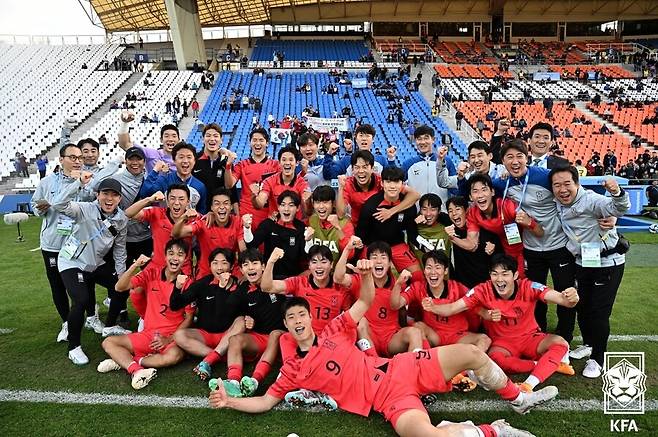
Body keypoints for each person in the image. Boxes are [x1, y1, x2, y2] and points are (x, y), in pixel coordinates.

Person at [209, 259, 558, 437]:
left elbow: (363, 301)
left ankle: (518, 400)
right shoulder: (293, 370)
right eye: (292, 318)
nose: (299, 321)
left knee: (473, 354)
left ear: (310, 319)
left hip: (402, 368)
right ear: (286, 325)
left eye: (303, 315)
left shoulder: (333, 328)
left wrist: (362, 277)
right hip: (388, 401)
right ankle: (494, 429)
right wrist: (230, 401)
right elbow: (265, 401)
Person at [430, 254, 577, 392]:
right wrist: (433, 307)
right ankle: (546, 364)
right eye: (495, 274)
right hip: (503, 344)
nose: (499, 279)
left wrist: (571, 298)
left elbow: (562, 300)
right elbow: (452, 308)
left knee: (560, 343)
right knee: (495, 360)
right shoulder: (482, 290)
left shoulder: (529, 286)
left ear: (515, 275)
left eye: (505, 274)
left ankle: (528, 385)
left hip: (529, 338)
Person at [492, 139, 576, 341]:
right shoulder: (502, 182)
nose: (515, 161)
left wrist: (607, 214)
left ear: (527, 158)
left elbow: (570, 188)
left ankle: (565, 336)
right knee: (535, 294)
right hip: (531, 249)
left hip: (558, 246)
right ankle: (537, 333)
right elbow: (476, 188)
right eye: (509, 157)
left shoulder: (544, 176)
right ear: (502, 161)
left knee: (565, 292)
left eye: (519, 156)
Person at [550, 166, 630, 378]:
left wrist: (616, 192)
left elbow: (618, 207)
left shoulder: (592, 200)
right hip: (582, 261)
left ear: (577, 183)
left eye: (567, 184)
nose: (562, 189)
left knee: (599, 311)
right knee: (582, 306)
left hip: (608, 262)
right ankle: (588, 344)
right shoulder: (558, 203)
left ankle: (598, 359)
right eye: (557, 185)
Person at [98, 242, 193, 389]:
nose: (175, 258)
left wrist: (168, 339)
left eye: (180, 255)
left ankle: (128, 361)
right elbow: (119, 287)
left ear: (186, 259)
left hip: (172, 336)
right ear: (165, 256)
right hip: (149, 334)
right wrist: (135, 265)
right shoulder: (152, 273)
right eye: (171, 253)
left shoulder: (187, 282)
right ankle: (136, 370)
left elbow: (189, 318)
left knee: (174, 357)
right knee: (108, 342)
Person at [53, 177, 128, 365]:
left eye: (114, 195)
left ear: (120, 198)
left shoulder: (121, 219)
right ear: (97, 194)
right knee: (81, 300)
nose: (109, 199)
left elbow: (119, 249)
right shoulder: (84, 209)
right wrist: (78, 182)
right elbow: (58, 204)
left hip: (95, 263)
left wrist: (121, 275)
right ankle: (74, 346)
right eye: (105, 194)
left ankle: (109, 326)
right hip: (72, 262)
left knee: (122, 286)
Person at [31, 144, 97, 343]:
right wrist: (42, 207)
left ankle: (92, 317)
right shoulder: (46, 182)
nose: (78, 160)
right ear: (61, 159)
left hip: (77, 244)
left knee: (83, 283)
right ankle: (66, 322)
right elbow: (36, 208)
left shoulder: (87, 181)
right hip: (52, 243)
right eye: (73, 157)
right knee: (58, 286)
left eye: (79, 157)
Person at [334, 240, 425, 357]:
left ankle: (414, 368)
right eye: (374, 257)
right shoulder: (360, 279)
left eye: (383, 257)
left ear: (390, 263)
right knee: (361, 322)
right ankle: (375, 364)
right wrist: (347, 249)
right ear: (368, 261)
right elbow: (338, 278)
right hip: (367, 336)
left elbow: (401, 305)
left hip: (391, 338)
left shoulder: (400, 284)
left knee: (415, 333)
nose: (378, 261)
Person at [390, 251, 490, 351]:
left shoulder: (459, 288)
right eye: (429, 267)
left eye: (437, 267)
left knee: (484, 339)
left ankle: (470, 365)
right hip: (434, 335)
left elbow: (477, 310)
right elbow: (395, 305)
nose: (433, 272)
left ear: (445, 270)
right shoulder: (418, 287)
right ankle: (423, 360)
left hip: (457, 336)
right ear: (424, 270)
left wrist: (487, 314)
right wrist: (398, 284)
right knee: (417, 326)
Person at [170, 248, 246, 381]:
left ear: (232, 266)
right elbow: (175, 305)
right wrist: (177, 288)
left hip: (229, 337)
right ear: (210, 266)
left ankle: (210, 359)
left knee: (241, 320)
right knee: (178, 335)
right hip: (205, 335)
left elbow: (222, 312)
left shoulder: (240, 287)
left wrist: (222, 288)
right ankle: (219, 356)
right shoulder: (203, 283)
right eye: (215, 263)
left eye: (224, 263)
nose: (219, 267)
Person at [220, 249, 286, 397]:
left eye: (255, 263)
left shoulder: (278, 282)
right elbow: (227, 310)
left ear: (263, 266)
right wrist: (245, 315)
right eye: (246, 264)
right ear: (242, 270)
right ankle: (233, 382)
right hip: (260, 338)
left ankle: (254, 381)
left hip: (282, 338)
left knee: (275, 334)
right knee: (234, 340)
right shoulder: (243, 289)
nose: (251, 268)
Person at [466, 173, 544, 279]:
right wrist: (453, 237)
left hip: (524, 248)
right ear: (470, 196)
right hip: (501, 251)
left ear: (492, 192)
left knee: (521, 281)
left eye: (484, 189)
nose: (480, 195)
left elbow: (540, 232)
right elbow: (472, 243)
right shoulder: (472, 213)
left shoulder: (507, 206)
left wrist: (529, 222)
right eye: (475, 191)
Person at [357, 167, 421, 273]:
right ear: (382, 184)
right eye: (388, 181)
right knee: (365, 274)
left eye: (396, 182)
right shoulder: (370, 206)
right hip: (374, 246)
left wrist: (428, 249)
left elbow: (412, 234)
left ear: (402, 185)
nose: (392, 186)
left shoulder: (408, 205)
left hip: (397, 245)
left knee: (417, 275)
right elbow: (361, 234)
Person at [172, 188, 246, 279]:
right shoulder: (204, 222)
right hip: (206, 274)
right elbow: (176, 234)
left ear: (231, 207)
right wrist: (184, 217)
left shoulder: (237, 222)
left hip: (230, 273)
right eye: (217, 203)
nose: (222, 207)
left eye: (226, 203)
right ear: (211, 207)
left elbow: (243, 250)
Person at [125, 184, 195, 276]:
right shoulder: (156, 213)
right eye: (172, 198)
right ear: (167, 200)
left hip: (183, 271)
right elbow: (129, 213)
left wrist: (211, 215)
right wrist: (149, 199)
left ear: (188, 201)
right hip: (157, 269)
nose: (176, 202)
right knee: (132, 289)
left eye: (181, 199)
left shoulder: (194, 218)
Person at [337, 150, 419, 227]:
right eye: (357, 167)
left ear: (372, 168)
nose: (361, 171)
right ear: (352, 170)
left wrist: (392, 211)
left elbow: (415, 195)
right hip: (358, 226)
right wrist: (341, 188)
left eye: (365, 167)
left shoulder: (381, 181)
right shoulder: (347, 184)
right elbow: (340, 214)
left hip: (380, 225)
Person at [224, 128, 280, 229]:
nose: (257, 143)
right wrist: (228, 166)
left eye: (261, 140)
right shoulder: (242, 165)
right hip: (247, 213)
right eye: (254, 140)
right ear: (250, 143)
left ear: (267, 143)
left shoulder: (276, 165)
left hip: (269, 214)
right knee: (246, 243)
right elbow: (229, 184)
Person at [244, 191, 308, 279]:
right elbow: (251, 245)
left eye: (291, 205)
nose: (286, 209)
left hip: (292, 279)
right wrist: (247, 229)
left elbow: (305, 255)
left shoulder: (301, 227)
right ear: (278, 207)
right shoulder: (268, 224)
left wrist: (308, 241)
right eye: (283, 205)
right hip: (270, 278)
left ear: (298, 208)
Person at [445, 196, 502, 287]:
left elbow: (500, 257)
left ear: (467, 211)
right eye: (450, 211)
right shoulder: (450, 229)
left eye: (458, 209)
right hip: (462, 286)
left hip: (484, 285)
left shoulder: (483, 230)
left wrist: (494, 250)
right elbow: (435, 215)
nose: (454, 213)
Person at [139, 142, 208, 213]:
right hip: (165, 223)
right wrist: (155, 171)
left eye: (189, 157)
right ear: (174, 160)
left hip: (188, 223)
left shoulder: (200, 186)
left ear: (194, 161)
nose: (185, 161)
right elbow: (145, 194)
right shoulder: (164, 180)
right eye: (181, 157)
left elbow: (201, 212)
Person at [251, 146, 311, 219]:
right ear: (279, 163)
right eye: (284, 160)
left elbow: (307, 211)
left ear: (297, 163)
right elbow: (259, 205)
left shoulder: (302, 183)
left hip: (295, 226)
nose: (287, 163)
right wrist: (254, 196)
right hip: (274, 225)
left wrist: (308, 201)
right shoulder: (269, 181)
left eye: (291, 160)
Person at [323, 124, 395, 179]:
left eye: (367, 136)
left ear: (373, 139)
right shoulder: (347, 160)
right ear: (356, 139)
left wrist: (391, 159)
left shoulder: (381, 160)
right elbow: (328, 175)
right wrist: (329, 154)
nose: (364, 139)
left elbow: (392, 178)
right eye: (361, 135)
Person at [193, 124, 238, 212]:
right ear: (203, 139)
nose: (212, 139)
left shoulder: (226, 161)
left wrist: (237, 214)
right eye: (208, 136)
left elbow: (232, 190)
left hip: (220, 213)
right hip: (198, 213)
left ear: (221, 140)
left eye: (216, 136)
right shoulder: (194, 160)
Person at [401, 125, 449, 205]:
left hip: (441, 212)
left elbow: (455, 188)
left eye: (426, 138)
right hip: (416, 213)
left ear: (433, 139)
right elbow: (398, 186)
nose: (423, 142)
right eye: (419, 139)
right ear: (415, 141)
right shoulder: (408, 164)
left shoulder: (447, 161)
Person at [305, 185, 354, 263]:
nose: (321, 206)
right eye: (317, 202)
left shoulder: (345, 224)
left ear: (333, 203)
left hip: (338, 272)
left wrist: (338, 228)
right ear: (313, 203)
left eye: (325, 202)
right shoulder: (312, 221)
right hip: (317, 271)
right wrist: (308, 241)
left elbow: (350, 255)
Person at [438, 140, 506, 195]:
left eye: (480, 156)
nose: (476, 160)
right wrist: (441, 160)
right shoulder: (468, 177)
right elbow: (443, 183)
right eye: (473, 157)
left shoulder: (502, 171)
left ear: (490, 156)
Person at [408, 193, 452, 263]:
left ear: (439, 211)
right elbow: (412, 235)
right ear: (420, 210)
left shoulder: (447, 224)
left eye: (433, 209)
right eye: (424, 209)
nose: (428, 213)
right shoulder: (412, 224)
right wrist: (413, 223)